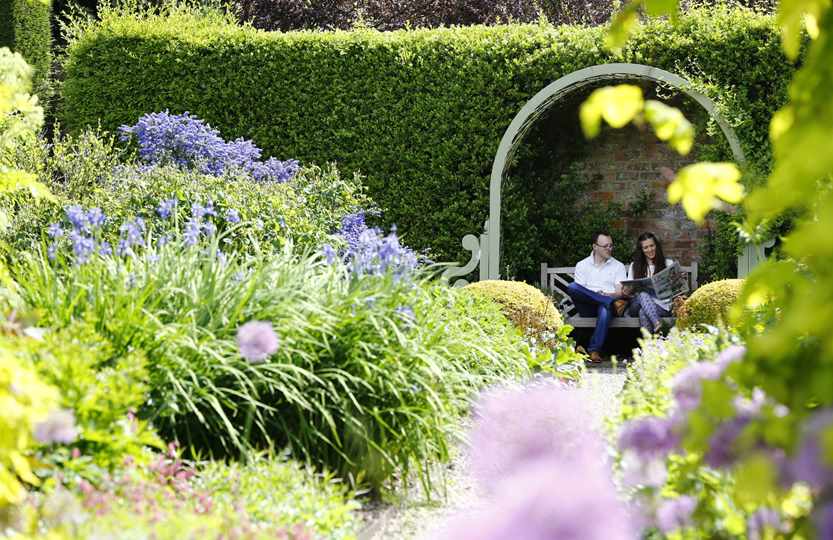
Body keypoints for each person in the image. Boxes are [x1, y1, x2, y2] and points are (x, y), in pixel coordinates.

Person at [566, 231, 628, 363]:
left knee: (604, 308)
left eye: (611, 245)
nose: (609, 249)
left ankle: (594, 350)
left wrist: (607, 295)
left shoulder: (618, 266)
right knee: (572, 286)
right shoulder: (582, 265)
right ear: (595, 247)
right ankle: (608, 302)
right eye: (605, 246)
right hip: (587, 307)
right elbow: (579, 292)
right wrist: (599, 296)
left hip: (606, 307)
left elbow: (619, 292)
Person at [623, 232, 675, 334]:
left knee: (643, 312)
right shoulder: (635, 266)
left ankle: (649, 346)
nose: (650, 249)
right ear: (641, 250)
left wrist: (675, 281)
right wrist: (627, 291)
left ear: (656, 246)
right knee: (642, 294)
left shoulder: (668, 263)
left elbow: (674, 290)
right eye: (645, 247)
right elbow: (629, 292)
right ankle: (657, 322)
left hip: (661, 306)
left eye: (652, 246)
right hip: (636, 304)